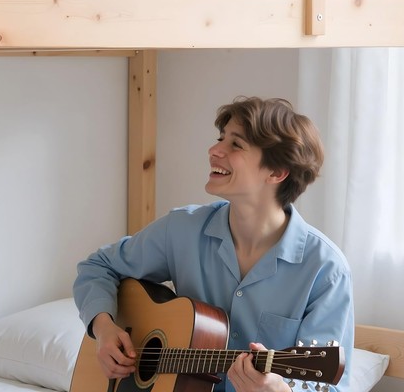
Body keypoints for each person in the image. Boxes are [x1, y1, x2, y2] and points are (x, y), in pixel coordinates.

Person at [73, 96, 354, 392]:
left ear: (276, 172)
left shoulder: (326, 270)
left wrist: (279, 391)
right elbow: (97, 267)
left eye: (236, 144)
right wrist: (104, 329)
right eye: (221, 138)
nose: (214, 150)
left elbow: (330, 387)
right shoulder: (181, 229)